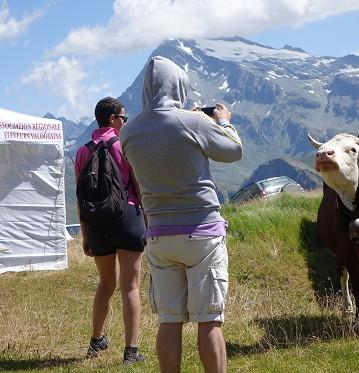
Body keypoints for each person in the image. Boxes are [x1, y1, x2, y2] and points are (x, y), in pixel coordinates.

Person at [120, 56, 242, 373]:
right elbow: (233, 151)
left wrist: (182, 120)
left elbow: (163, 134)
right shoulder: (196, 123)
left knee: (169, 321)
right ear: (179, 86)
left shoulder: (129, 132)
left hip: (159, 235)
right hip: (202, 234)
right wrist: (222, 121)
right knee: (209, 321)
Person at [74, 97, 147, 365]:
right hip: (128, 218)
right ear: (114, 119)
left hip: (97, 225)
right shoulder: (124, 145)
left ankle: (96, 341)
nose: (125, 122)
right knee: (130, 287)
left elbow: (80, 198)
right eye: (124, 118)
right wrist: (147, 222)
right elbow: (138, 187)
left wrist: (85, 234)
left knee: (105, 284)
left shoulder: (83, 152)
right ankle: (131, 351)